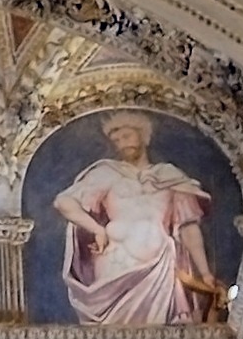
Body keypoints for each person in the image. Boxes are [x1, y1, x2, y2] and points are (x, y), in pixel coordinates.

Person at [49, 115, 224, 328]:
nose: (122, 143)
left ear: (144, 137)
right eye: (117, 141)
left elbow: (188, 227)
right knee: (113, 335)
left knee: (161, 337)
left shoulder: (169, 175)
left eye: (126, 136)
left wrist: (205, 274)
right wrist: (97, 229)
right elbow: (64, 202)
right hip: (117, 263)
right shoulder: (107, 173)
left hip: (162, 267)